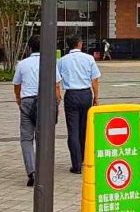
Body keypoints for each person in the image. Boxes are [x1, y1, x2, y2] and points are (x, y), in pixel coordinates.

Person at [12, 35, 62, 187]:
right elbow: (57, 86)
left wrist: (19, 100)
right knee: (44, 137)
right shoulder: (50, 62)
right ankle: (44, 171)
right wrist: (57, 102)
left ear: (29, 47)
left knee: (26, 138)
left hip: (27, 101)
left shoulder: (22, 64)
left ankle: (31, 171)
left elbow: (16, 85)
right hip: (46, 101)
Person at [58, 36, 101, 174]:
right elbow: (94, 79)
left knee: (73, 130)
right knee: (84, 129)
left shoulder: (62, 61)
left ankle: (76, 165)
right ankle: (83, 159)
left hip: (71, 95)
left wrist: (58, 96)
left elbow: (57, 80)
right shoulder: (89, 59)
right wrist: (96, 97)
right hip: (86, 94)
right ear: (80, 44)